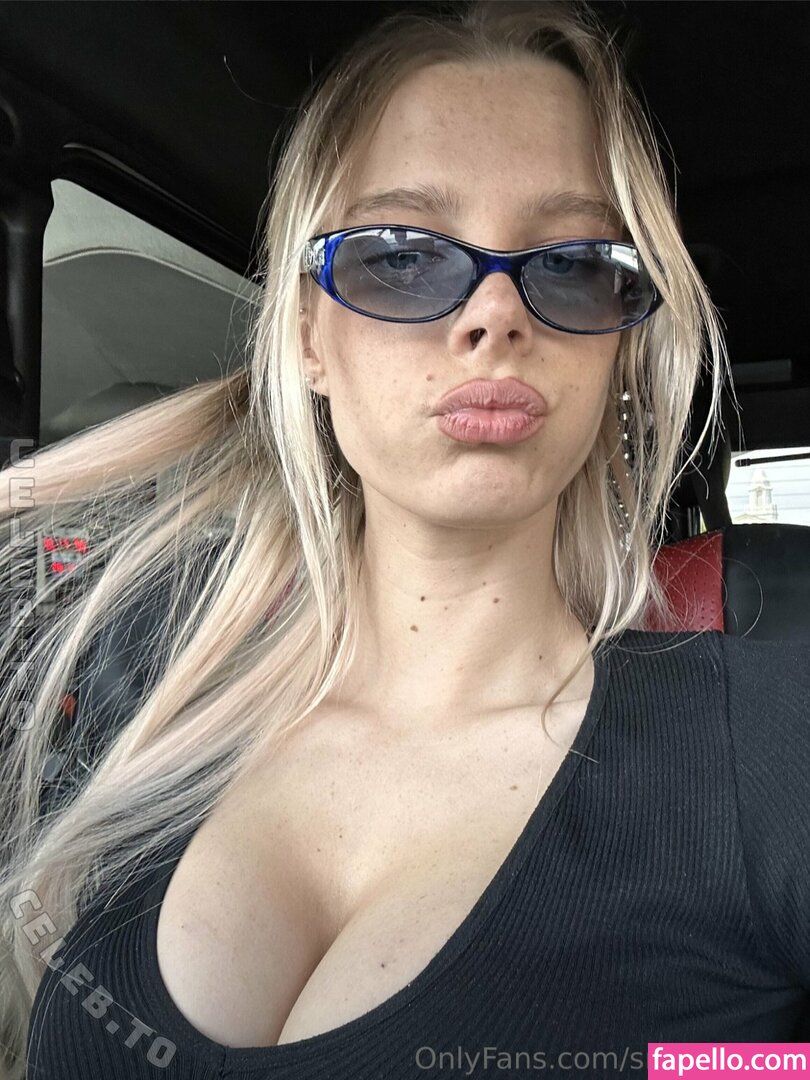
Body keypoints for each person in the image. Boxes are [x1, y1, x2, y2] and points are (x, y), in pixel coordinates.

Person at [0, 2, 807, 1078]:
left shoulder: (769, 746)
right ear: (307, 333)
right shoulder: (152, 697)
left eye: (574, 263)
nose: (495, 315)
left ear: (618, 349)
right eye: (401, 254)